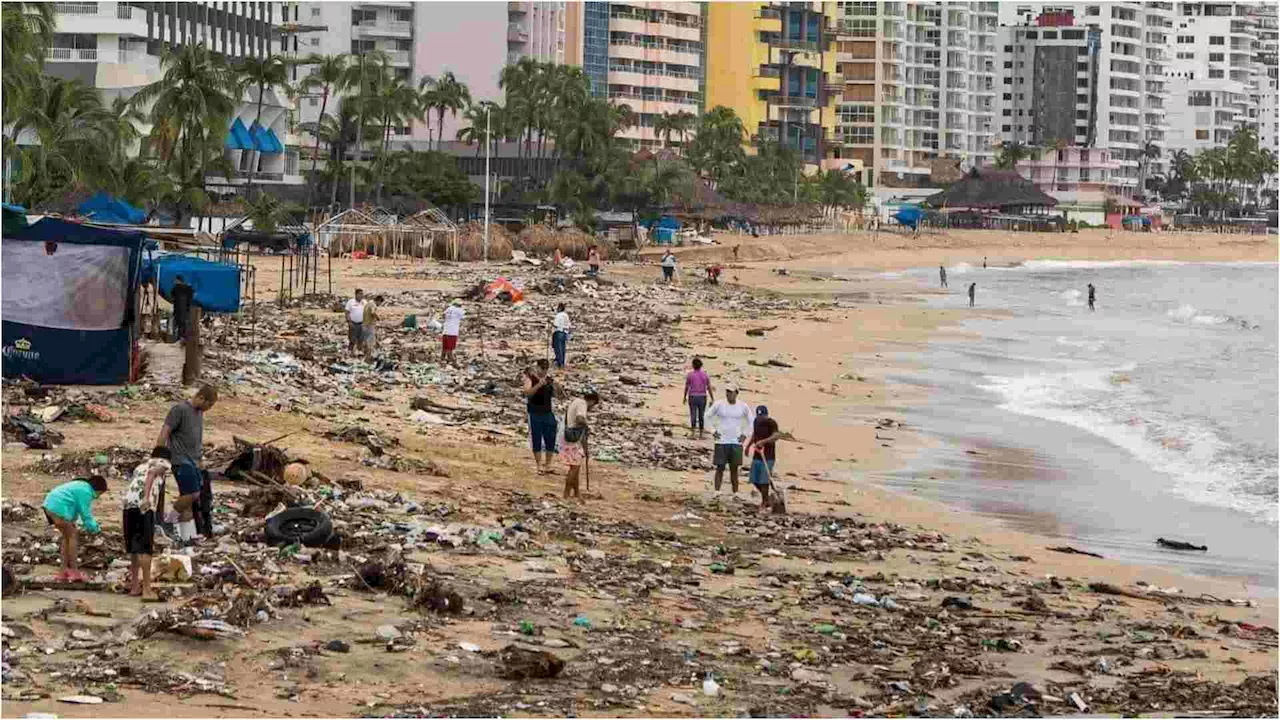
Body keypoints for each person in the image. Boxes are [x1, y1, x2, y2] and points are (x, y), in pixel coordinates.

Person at [156, 384, 217, 553]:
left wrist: (201, 453)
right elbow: (165, 432)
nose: (208, 409)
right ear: (201, 398)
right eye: (209, 405)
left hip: (195, 461)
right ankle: (169, 520)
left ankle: (186, 540)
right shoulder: (179, 410)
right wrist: (159, 457)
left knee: (189, 501)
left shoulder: (199, 413)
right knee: (193, 494)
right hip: (180, 461)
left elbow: (191, 436)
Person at [122, 448, 171, 601]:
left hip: (128, 505)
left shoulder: (141, 466)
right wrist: (147, 497)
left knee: (134, 548)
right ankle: (147, 590)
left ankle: (135, 586)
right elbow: (151, 475)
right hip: (144, 507)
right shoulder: (163, 463)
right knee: (145, 548)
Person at [42, 475, 106, 582]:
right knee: (72, 536)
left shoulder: (80, 486)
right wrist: (95, 529)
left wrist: (72, 521)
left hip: (50, 505)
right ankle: (74, 571)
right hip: (58, 507)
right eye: (100, 494)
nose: (98, 497)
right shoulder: (86, 491)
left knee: (66, 537)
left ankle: (63, 572)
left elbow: (73, 507)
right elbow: (85, 514)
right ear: (98, 489)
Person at [707, 385, 752, 496]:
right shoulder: (719, 404)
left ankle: (735, 492)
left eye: (731, 392)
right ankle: (717, 491)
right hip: (721, 440)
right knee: (720, 467)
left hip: (736, 441)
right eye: (727, 391)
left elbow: (751, 421)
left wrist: (745, 434)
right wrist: (713, 431)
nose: (728, 394)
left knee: (734, 469)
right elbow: (707, 416)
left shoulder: (743, 406)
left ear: (736, 393)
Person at [560, 389, 601, 500]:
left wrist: (585, 449)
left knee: (576, 468)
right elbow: (579, 420)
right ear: (592, 401)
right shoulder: (583, 404)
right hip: (572, 439)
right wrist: (587, 426)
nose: (592, 408)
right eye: (594, 405)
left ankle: (577, 493)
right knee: (574, 468)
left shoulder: (576, 401)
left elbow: (580, 431)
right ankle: (566, 494)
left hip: (570, 438)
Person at [524, 359, 559, 475]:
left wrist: (554, 386)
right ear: (537, 367)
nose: (543, 371)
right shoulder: (531, 379)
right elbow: (527, 393)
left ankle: (548, 464)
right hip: (534, 413)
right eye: (542, 368)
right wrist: (539, 385)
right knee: (536, 439)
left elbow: (558, 395)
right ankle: (539, 465)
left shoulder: (548, 380)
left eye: (545, 369)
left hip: (548, 412)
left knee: (551, 438)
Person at [745, 405, 781, 511]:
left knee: (764, 480)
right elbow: (755, 434)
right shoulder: (756, 421)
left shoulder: (771, 423)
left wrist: (763, 442)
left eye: (763, 416)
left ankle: (764, 502)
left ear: (766, 415)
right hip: (757, 454)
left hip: (768, 456)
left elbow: (776, 436)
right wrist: (748, 446)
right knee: (754, 479)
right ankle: (767, 498)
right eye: (759, 416)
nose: (761, 418)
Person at [682, 357, 714, 439]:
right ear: (701, 365)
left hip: (692, 396)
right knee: (701, 415)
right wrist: (712, 398)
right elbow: (709, 387)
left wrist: (684, 397)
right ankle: (701, 434)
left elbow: (687, 387)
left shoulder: (690, 375)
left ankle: (693, 433)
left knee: (693, 414)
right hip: (702, 397)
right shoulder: (705, 375)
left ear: (693, 365)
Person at [171, 275, 194, 343]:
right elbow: (191, 295)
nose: (174, 282)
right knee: (184, 324)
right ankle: (185, 339)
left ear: (178, 280)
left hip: (178, 309)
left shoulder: (175, 288)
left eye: (175, 280)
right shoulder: (188, 288)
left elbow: (172, 296)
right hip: (186, 309)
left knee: (178, 324)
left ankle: (178, 339)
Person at [442, 299, 465, 365]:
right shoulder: (458, 310)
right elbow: (464, 316)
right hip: (453, 331)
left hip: (446, 330)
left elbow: (443, 316)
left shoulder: (449, 309)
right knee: (450, 348)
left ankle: (442, 359)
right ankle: (450, 360)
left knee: (445, 347)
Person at [344, 289, 367, 356]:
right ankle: (350, 351)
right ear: (356, 294)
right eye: (360, 294)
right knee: (352, 338)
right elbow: (347, 312)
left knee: (361, 338)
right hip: (353, 323)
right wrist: (349, 322)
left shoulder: (364, 302)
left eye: (362, 294)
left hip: (362, 323)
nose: (361, 295)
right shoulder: (351, 302)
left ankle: (359, 352)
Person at [551, 303, 571, 369]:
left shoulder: (558, 315)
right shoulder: (566, 315)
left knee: (558, 348)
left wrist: (550, 323)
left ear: (559, 308)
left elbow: (556, 325)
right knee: (562, 348)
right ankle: (562, 362)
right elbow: (568, 325)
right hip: (565, 332)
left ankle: (559, 363)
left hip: (559, 332)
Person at [362, 294, 380, 359]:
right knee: (371, 341)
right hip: (369, 325)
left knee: (366, 340)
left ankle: (364, 354)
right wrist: (377, 317)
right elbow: (372, 312)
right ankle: (369, 356)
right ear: (378, 300)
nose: (379, 305)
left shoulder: (368, 303)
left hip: (364, 324)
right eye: (380, 303)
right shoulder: (373, 304)